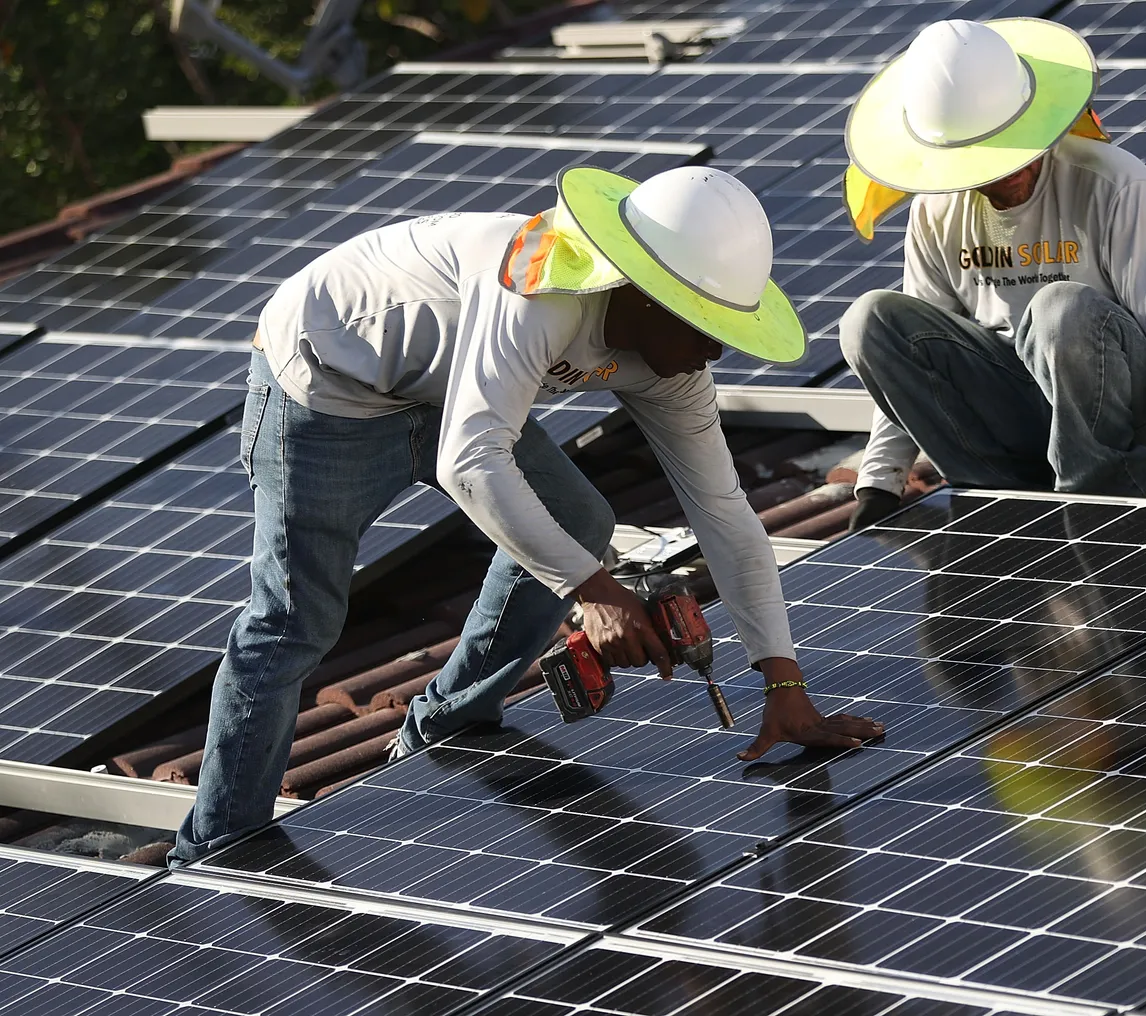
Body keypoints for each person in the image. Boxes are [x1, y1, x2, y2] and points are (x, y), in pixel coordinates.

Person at [169, 166, 884, 867]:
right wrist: (594, 593)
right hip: (327, 381)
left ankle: (446, 723)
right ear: (640, 292)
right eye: (704, 324)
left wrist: (784, 683)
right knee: (296, 621)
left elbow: (725, 512)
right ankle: (215, 849)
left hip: (448, 386)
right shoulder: (540, 289)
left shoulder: (677, 364)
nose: (716, 349)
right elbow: (471, 462)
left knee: (578, 519)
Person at [836, 18, 1146, 532]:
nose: (1006, 172)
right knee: (869, 319)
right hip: (1016, 408)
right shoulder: (935, 210)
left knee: (1060, 309)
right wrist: (880, 480)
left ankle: (1092, 504)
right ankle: (999, 500)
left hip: (1120, 415)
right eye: (985, 163)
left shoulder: (1114, 184)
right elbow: (917, 353)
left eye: (1015, 150)